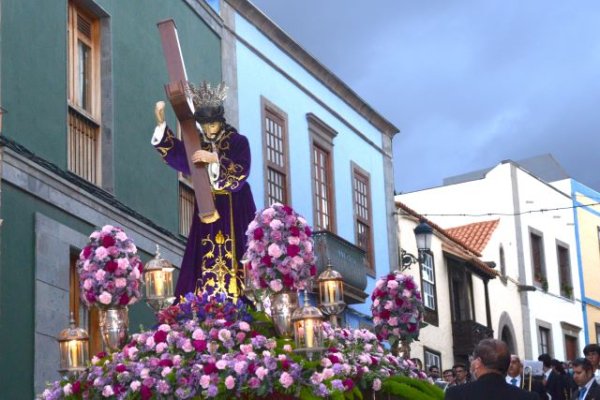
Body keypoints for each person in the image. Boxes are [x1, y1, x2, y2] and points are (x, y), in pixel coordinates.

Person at [152, 81, 256, 300]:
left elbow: (241, 173)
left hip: (235, 209)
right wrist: (162, 126)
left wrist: (214, 160)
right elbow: (180, 156)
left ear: (221, 120)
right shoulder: (198, 143)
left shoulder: (238, 142)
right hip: (207, 211)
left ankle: (241, 302)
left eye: (212, 125)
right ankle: (205, 302)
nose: (208, 130)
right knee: (202, 260)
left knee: (241, 263)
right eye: (205, 125)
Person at [445, 339, 539, 400]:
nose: (471, 364)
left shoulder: (456, 394)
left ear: (478, 363)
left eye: (472, 360)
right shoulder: (529, 397)